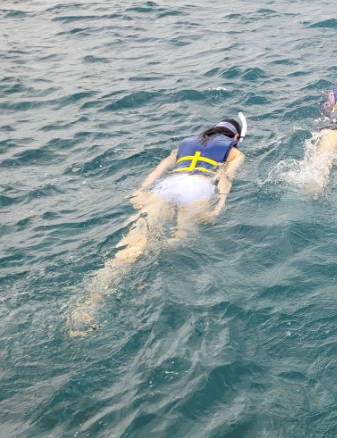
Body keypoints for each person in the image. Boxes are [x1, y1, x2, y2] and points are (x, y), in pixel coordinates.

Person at [67, 117, 246, 336]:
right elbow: (227, 176)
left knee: (129, 248)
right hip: (198, 188)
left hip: (166, 187)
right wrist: (219, 207)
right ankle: (150, 252)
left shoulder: (184, 145)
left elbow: (158, 169)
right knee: (181, 240)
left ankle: (87, 305)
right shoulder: (234, 151)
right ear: (235, 137)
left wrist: (140, 191)